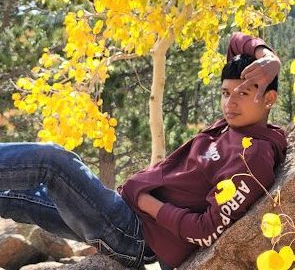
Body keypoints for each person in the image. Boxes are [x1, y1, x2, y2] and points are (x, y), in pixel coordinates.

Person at [0, 32, 287, 270]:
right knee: (13, 197)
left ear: (269, 99)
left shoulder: (254, 154)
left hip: (136, 234)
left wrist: (148, 202)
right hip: (123, 215)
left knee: (52, 162)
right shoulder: (234, 125)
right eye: (225, 93)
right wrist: (268, 58)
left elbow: (204, 230)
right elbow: (237, 41)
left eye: (243, 94)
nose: (230, 104)